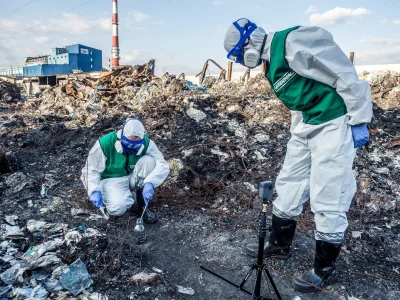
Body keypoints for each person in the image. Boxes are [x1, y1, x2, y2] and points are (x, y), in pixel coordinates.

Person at [223, 19, 372, 292]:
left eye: (239, 55)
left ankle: (323, 268)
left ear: (248, 44)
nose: (243, 62)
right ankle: (279, 245)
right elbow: (300, 97)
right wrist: (298, 132)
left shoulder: (293, 42)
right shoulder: (271, 63)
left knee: (328, 190)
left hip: (334, 121)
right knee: (290, 182)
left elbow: (342, 73)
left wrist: (359, 118)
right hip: (307, 125)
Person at [81, 118, 170, 224]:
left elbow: (162, 164)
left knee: (149, 162)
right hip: (111, 180)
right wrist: (94, 190)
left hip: (132, 176)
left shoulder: (147, 143)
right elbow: (90, 170)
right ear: (121, 137)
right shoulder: (105, 143)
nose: (131, 148)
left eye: (136, 145)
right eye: (128, 143)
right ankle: (117, 197)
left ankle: (142, 207)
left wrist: (150, 182)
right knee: (117, 208)